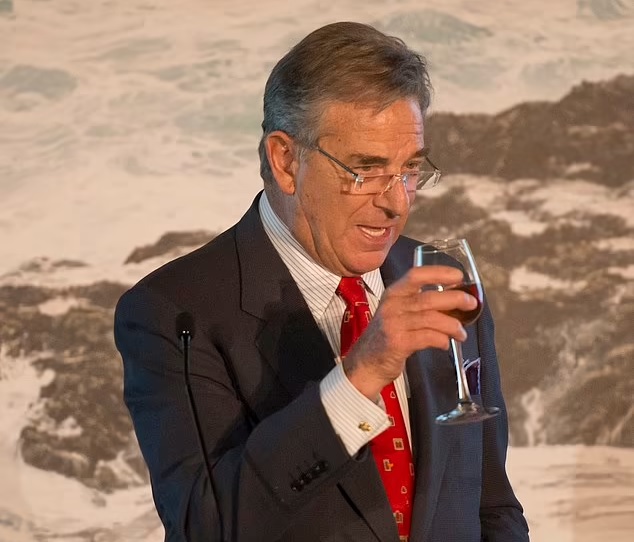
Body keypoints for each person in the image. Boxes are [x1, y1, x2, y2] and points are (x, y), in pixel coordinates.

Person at [114, 21, 529, 542]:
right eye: (366, 170)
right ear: (286, 161)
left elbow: (491, 505)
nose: (397, 201)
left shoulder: (441, 286)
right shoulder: (176, 312)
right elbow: (206, 526)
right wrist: (358, 377)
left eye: (409, 170)